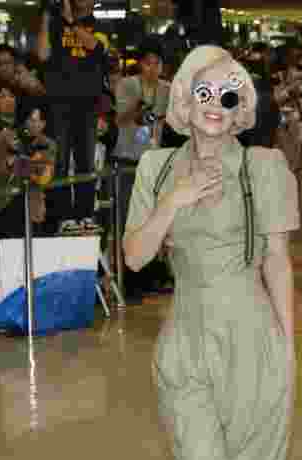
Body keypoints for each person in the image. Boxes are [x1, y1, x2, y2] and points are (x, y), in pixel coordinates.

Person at [123, 45, 298, 460]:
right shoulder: (156, 165)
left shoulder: (264, 166)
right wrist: (175, 199)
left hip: (254, 336)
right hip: (186, 342)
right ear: (184, 101)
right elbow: (136, 257)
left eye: (231, 95)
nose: (217, 106)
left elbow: (277, 261)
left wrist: (288, 348)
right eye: (205, 92)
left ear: (243, 104)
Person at [36, 0, 106, 234]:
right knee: (60, 163)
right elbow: (43, 55)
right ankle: (63, 216)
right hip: (60, 103)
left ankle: (85, 214)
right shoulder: (56, 23)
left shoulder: (97, 25)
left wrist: (72, 22)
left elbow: (95, 47)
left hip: (88, 104)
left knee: (86, 161)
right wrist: (46, 16)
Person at [114, 39, 171, 300]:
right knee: (130, 220)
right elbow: (119, 118)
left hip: (155, 162)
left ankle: (152, 275)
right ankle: (130, 279)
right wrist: (137, 107)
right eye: (147, 63)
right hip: (128, 160)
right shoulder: (127, 85)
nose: (152, 68)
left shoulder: (166, 89)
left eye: (157, 63)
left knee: (154, 219)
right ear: (140, 64)